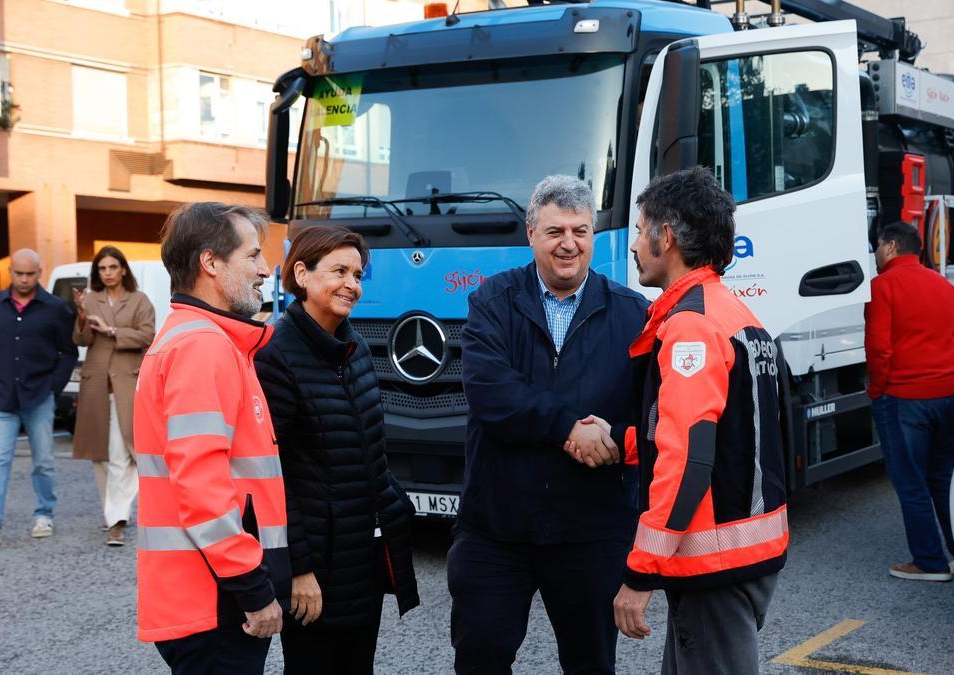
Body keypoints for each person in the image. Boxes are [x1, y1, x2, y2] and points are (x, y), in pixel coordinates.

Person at [449, 175, 648, 674]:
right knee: (481, 658)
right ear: (531, 234)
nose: (568, 244)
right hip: (497, 530)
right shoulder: (491, 302)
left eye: (580, 231)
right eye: (555, 231)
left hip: (591, 532)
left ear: (594, 236)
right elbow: (491, 394)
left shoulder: (633, 313)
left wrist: (613, 439)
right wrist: (568, 428)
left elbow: (650, 413)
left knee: (591, 665)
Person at [601, 166, 787, 675]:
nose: (635, 243)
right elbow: (729, 435)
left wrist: (640, 572)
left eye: (640, 230)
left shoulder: (690, 327)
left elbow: (687, 461)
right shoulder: (736, 314)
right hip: (743, 552)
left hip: (713, 562)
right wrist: (623, 441)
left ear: (666, 236)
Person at [255, 226, 420, 674]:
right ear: (302, 274)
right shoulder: (277, 355)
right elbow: (274, 475)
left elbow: (369, 453)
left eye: (358, 274)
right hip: (317, 567)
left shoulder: (356, 346)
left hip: (361, 557)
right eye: (339, 271)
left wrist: (395, 510)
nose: (353, 284)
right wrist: (298, 569)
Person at [134, 202, 290, 673]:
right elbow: (201, 485)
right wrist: (252, 588)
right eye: (252, 256)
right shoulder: (204, 346)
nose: (266, 270)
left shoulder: (197, 339)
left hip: (203, 591)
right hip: (217, 598)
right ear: (210, 263)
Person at [866, 221, 954, 582]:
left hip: (905, 396)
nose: (876, 253)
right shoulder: (943, 285)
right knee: (941, 476)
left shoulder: (882, 287)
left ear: (892, 246)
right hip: (948, 393)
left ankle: (929, 561)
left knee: (910, 481)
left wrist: (878, 388)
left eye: (879, 245)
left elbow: (879, 348)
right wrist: (944, 369)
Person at [0, 248, 78, 547]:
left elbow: (68, 352)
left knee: (43, 461)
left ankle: (44, 514)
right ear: (10, 273)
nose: (25, 279)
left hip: (39, 396)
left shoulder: (55, 308)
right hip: (0, 395)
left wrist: (53, 386)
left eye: (30, 274)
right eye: (19, 273)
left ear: (39, 272)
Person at [71, 246, 156, 546]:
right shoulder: (91, 299)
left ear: (123, 269)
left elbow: (147, 335)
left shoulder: (140, 300)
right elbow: (80, 340)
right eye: (102, 269)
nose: (107, 273)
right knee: (100, 456)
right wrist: (82, 316)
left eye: (112, 267)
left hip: (126, 385)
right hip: (96, 385)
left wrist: (111, 330)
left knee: (121, 453)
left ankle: (117, 520)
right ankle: (114, 513)